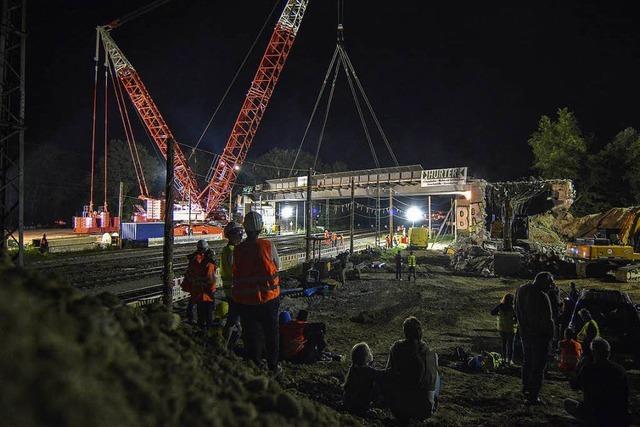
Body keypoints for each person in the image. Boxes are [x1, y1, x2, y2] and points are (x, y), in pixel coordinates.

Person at [232, 211, 282, 375]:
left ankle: (254, 365)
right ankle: (273, 366)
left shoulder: (238, 250)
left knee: (251, 335)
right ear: (260, 228)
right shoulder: (268, 246)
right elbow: (278, 265)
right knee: (271, 334)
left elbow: (236, 272)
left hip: (246, 301)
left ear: (245, 229)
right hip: (269, 299)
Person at [385, 317, 441, 422]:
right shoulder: (431, 353)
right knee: (436, 374)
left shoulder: (396, 348)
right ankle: (432, 401)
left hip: (400, 409)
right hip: (425, 410)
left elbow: (388, 373)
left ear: (405, 332)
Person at [564, 338, 630, 426]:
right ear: (608, 353)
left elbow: (574, 385)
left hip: (595, 414)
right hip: (617, 415)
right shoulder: (620, 370)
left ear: (593, 352)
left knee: (568, 403)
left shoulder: (589, 369)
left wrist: (578, 368)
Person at [514, 271, 555, 405]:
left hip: (525, 334)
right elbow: (547, 320)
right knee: (538, 367)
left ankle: (526, 389)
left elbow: (517, 311)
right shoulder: (542, 296)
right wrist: (550, 337)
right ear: (543, 282)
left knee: (527, 362)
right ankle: (533, 395)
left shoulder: (521, 290)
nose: (551, 286)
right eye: (550, 283)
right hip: (540, 337)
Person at [181, 239, 217, 329]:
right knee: (208, 314)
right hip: (206, 293)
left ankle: (196, 323)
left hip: (197, 289)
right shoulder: (208, 263)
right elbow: (210, 279)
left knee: (198, 311)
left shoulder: (195, 259)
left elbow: (190, 274)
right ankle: (206, 330)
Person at [220, 221, 244, 348]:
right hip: (235, 290)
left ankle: (229, 342)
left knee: (235, 318)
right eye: (239, 234)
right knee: (233, 319)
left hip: (230, 290)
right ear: (231, 235)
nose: (241, 236)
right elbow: (238, 270)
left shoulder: (226, 250)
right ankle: (225, 346)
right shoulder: (232, 251)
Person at [343, 342, 384, 415]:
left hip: (348, 403)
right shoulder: (367, 371)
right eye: (369, 351)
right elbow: (382, 375)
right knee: (378, 383)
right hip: (359, 406)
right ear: (365, 356)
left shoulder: (353, 368)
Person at [490, 293, 517, 365]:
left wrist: (499, 315)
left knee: (504, 344)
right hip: (511, 328)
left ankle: (504, 358)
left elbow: (492, 312)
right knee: (510, 345)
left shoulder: (500, 306)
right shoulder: (513, 308)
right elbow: (517, 318)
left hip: (502, 328)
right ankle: (510, 359)